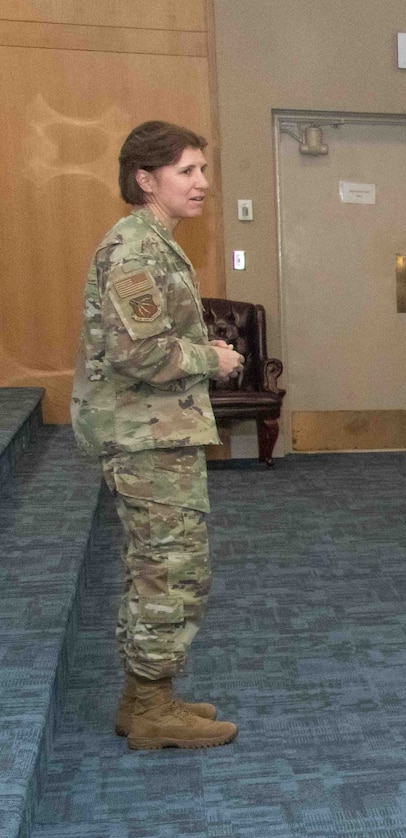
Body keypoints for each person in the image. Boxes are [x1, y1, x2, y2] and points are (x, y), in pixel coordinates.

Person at [72, 120, 244, 751]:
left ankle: (148, 697)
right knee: (171, 569)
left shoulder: (157, 243)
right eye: (187, 172)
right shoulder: (136, 250)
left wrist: (197, 351)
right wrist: (212, 359)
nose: (202, 183)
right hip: (144, 436)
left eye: (203, 170)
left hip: (156, 431)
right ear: (145, 180)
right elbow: (140, 357)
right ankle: (151, 708)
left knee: (158, 564)